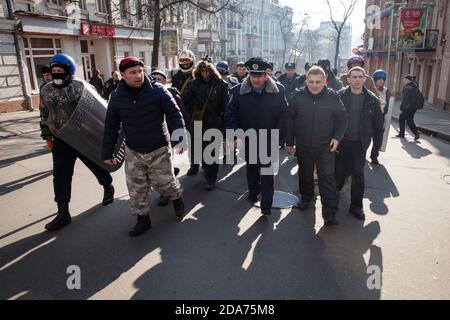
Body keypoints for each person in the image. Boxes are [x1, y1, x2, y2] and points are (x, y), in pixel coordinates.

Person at [102, 57, 186, 237]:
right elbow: (111, 126)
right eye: (132, 72)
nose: (138, 75)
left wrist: (180, 137)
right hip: (133, 150)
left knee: (166, 183)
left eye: (140, 71)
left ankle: (176, 198)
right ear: (122, 75)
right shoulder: (116, 97)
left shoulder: (158, 90)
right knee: (136, 188)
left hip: (159, 148)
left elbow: (174, 114)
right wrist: (107, 151)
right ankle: (143, 220)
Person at [39, 53, 115, 232]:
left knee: (94, 164)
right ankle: (63, 212)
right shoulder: (46, 90)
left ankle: (107, 186)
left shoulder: (81, 87)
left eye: (60, 70)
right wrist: (47, 135)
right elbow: (44, 113)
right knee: (60, 174)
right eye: (53, 70)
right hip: (61, 138)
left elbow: (98, 107)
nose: (56, 73)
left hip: (82, 136)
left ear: (69, 71)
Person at [286, 66, 348, 226]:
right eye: (311, 81)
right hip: (304, 145)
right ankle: (306, 198)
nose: (314, 85)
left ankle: (330, 212)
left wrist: (337, 138)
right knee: (305, 175)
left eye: (318, 82)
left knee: (326, 179)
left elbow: (343, 119)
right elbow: (290, 120)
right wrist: (289, 142)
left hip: (325, 147)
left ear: (325, 81)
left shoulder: (332, 97)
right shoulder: (297, 97)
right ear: (306, 81)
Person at [225, 58, 287, 216]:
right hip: (248, 138)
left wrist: (280, 136)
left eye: (260, 76)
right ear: (249, 76)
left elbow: (283, 115)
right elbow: (230, 115)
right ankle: (253, 193)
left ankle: (266, 205)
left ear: (266, 76)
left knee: (267, 172)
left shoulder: (278, 91)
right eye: (253, 76)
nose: (256, 80)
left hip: (269, 138)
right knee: (252, 168)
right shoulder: (238, 91)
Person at [336, 67, 384, 221]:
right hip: (341, 142)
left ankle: (356, 206)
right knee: (338, 174)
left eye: (360, 77)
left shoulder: (372, 99)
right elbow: (330, 119)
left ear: (365, 79)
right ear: (348, 79)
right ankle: (332, 202)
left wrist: (376, 148)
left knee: (358, 175)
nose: (357, 79)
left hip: (360, 144)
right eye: (354, 77)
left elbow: (378, 125)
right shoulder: (339, 96)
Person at [181, 58, 230, 190]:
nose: (205, 73)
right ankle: (202, 167)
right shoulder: (193, 84)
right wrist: (176, 95)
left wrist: (227, 126)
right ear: (198, 71)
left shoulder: (221, 85)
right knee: (199, 148)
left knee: (212, 152)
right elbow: (185, 99)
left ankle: (211, 179)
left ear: (212, 71)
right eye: (202, 70)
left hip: (215, 121)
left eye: (207, 70)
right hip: (198, 121)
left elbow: (227, 107)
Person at [151, 69, 188, 207]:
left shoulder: (171, 94)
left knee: (166, 169)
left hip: (171, 136)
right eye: (153, 78)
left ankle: (168, 195)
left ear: (165, 81)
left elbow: (182, 116)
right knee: (158, 171)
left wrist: (183, 137)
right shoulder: (143, 95)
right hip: (154, 139)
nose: (156, 80)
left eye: (159, 79)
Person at [370, 69, 391, 164]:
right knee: (365, 138)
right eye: (379, 79)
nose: (381, 81)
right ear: (375, 80)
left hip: (380, 118)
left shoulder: (386, 91)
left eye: (383, 79)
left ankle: (374, 156)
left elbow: (390, 103)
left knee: (378, 139)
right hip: (369, 117)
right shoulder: (370, 89)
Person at [396, 74, 421, 141]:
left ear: (408, 80)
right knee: (409, 120)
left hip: (408, 107)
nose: (403, 80)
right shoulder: (414, 86)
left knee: (402, 118)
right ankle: (416, 132)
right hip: (414, 107)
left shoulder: (407, 87)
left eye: (405, 79)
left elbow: (405, 99)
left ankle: (402, 133)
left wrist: (402, 107)